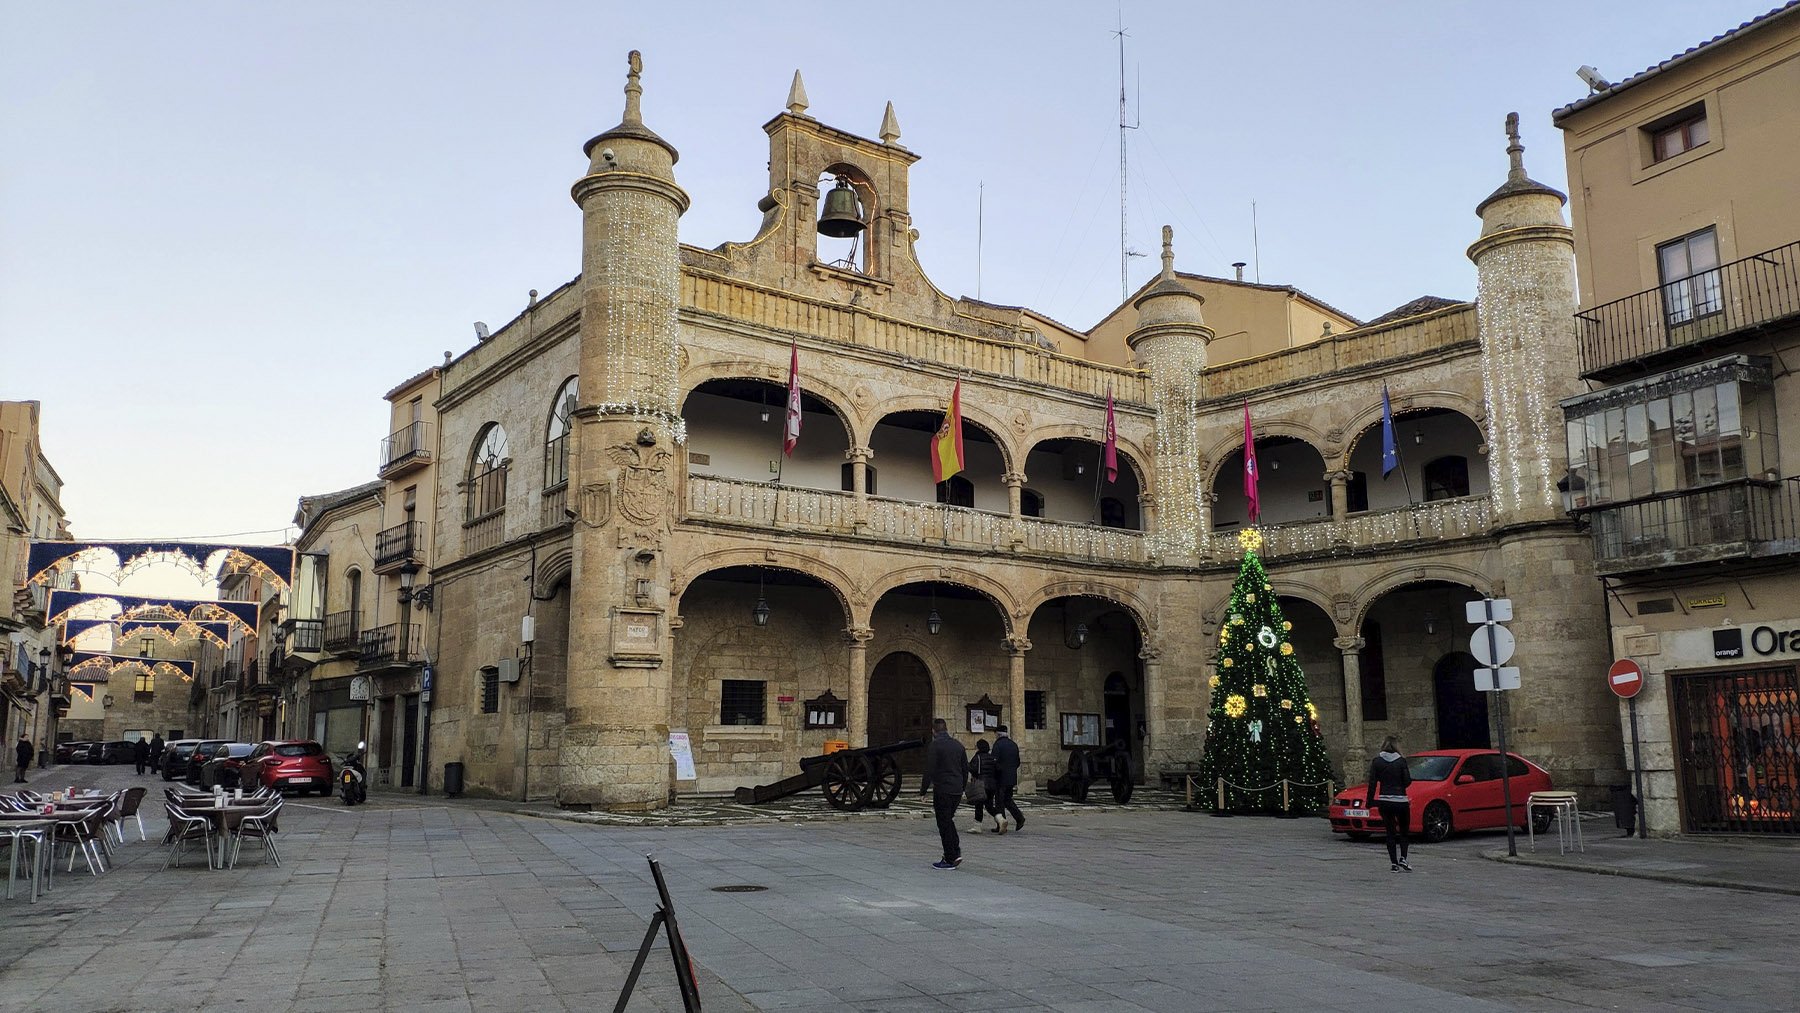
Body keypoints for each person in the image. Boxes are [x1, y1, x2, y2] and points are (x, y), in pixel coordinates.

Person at [919, 718, 967, 870]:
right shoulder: (958, 745)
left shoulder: (935, 745)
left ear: (933, 731)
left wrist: (923, 790)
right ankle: (955, 851)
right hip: (956, 789)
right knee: (948, 820)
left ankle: (949, 858)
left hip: (943, 790)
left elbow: (929, 769)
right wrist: (962, 786)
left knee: (943, 823)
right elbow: (965, 768)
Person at [1367, 735, 1413, 872]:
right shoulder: (1401, 761)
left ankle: (1393, 863)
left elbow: (1372, 783)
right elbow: (1407, 781)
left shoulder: (1377, 762)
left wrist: (1370, 801)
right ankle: (1403, 858)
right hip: (1400, 800)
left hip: (1385, 800)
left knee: (1390, 832)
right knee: (1404, 831)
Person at [991, 725, 1024, 833]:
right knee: (1007, 800)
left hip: (1001, 778)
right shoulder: (1013, 744)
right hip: (1011, 777)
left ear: (998, 734)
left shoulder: (998, 745)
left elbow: (994, 762)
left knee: (999, 801)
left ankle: (1001, 824)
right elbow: (1017, 762)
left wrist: (996, 773)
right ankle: (1019, 818)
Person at [968, 739, 999, 833]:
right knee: (989, 805)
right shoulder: (992, 757)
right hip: (992, 784)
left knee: (979, 805)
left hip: (981, 784)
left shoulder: (977, 757)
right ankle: (1000, 818)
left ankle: (977, 826)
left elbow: (973, 769)